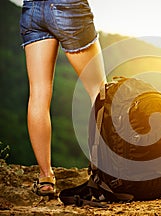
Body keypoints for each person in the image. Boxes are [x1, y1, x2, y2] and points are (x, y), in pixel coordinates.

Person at [19, 0, 107, 196]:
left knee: (38, 93)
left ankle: (45, 178)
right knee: (99, 92)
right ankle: (103, 174)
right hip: (69, 7)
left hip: (32, 8)